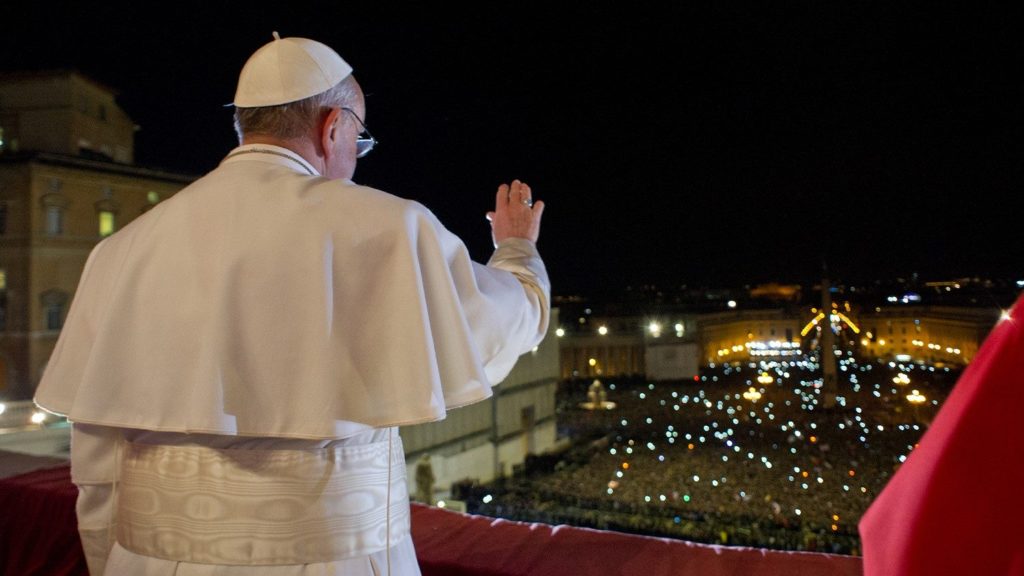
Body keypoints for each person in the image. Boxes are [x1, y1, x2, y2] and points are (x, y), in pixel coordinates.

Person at [33, 32, 549, 576]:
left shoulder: (121, 250)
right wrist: (516, 249)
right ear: (333, 128)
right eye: (358, 138)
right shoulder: (390, 228)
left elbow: (96, 468)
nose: (355, 156)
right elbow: (502, 324)